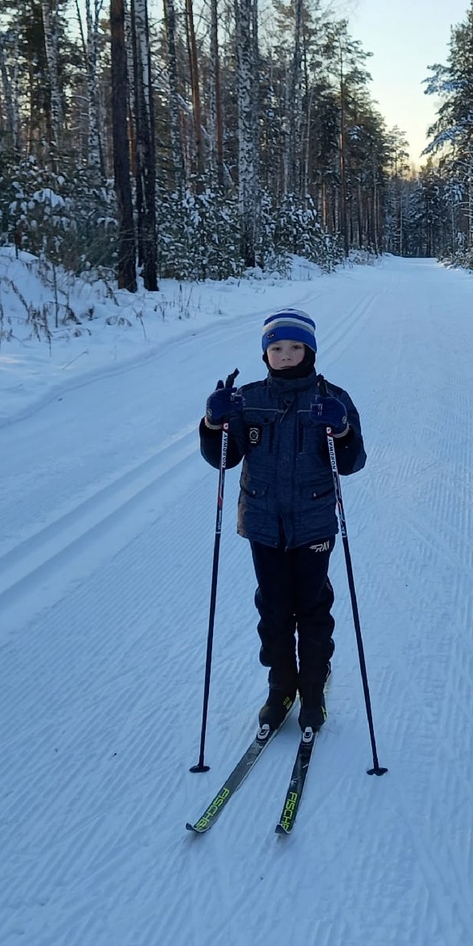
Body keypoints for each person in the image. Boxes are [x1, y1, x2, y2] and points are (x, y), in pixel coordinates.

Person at [200, 307, 367, 737]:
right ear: (265, 354)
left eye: (295, 347)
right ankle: (281, 690)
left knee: (312, 609)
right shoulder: (249, 399)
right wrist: (213, 422)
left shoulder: (331, 399)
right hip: (262, 522)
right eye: (277, 348)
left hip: (314, 523)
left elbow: (352, 462)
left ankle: (312, 691)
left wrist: (342, 430)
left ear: (310, 350)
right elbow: (225, 456)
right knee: (273, 610)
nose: (287, 355)